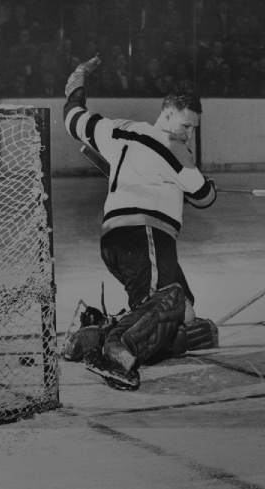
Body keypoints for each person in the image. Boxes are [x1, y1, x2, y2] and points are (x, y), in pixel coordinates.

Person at [63, 54, 218, 389]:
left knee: (185, 314)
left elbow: (72, 117)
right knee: (166, 308)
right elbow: (204, 197)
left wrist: (78, 79)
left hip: (116, 241)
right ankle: (115, 347)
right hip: (146, 236)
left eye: (193, 129)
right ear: (166, 114)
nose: (188, 134)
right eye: (185, 124)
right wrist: (210, 188)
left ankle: (95, 328)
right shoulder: (173, 147)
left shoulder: (116, 129)